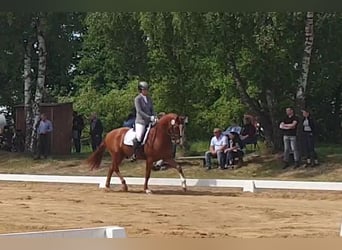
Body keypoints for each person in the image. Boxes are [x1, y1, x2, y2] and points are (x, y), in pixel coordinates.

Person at [131, 81, 156, 161]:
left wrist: (154, 116)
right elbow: (139, 111)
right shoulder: (137, 99)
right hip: (141, 121)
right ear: (140, 90)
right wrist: (149, 118)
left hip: (150, 121)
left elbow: (152, 109)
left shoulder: (149, 98)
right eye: (144, 89)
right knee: (139, 136)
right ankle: (134, 153)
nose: (146, 91)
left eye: (147, 89)